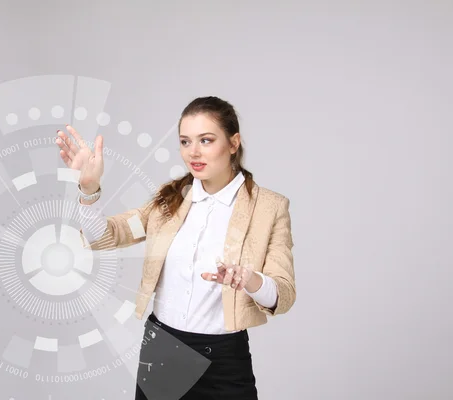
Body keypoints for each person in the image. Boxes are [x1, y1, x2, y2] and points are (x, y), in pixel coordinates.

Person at [55, 96, 296, 400]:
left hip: (224, 360)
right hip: (163, 350)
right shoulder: (169, 201)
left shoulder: (269, 208)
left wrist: (250, 280)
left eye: (206, 140)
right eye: (185, 141)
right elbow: (108, 235)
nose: (193, 152)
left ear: (233, 143)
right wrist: (89, 190)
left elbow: (283, 295)